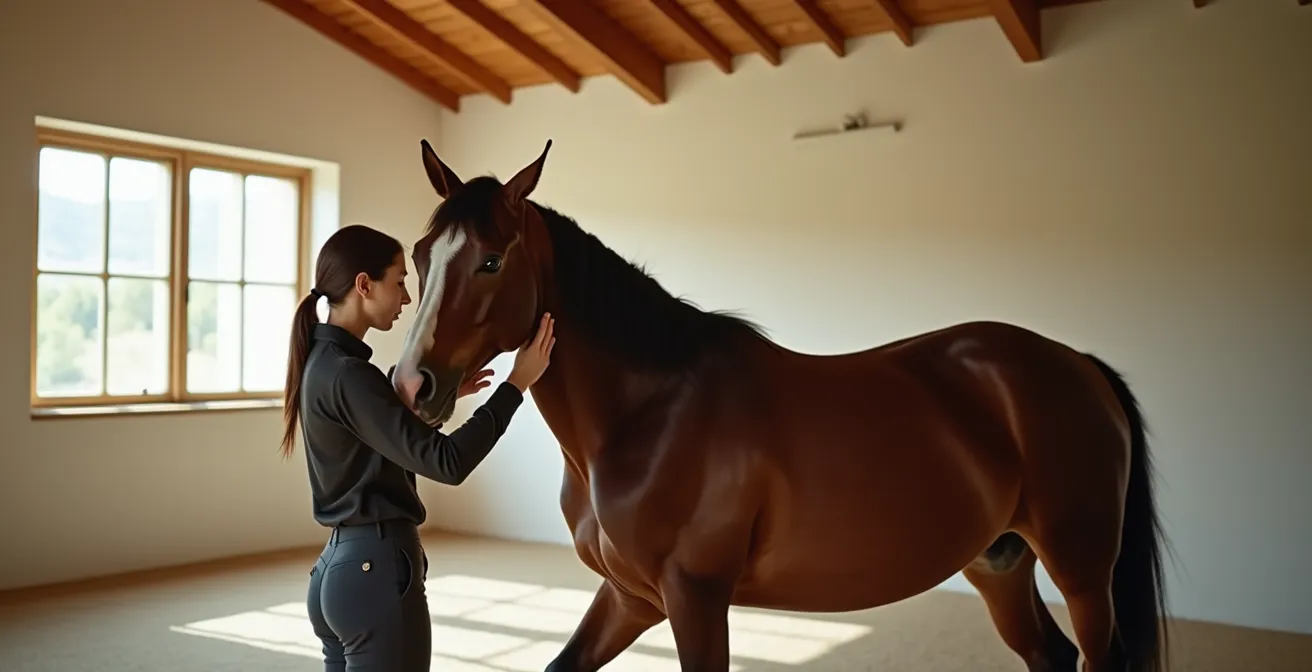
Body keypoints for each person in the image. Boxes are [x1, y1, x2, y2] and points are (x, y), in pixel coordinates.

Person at [278, 224, 556, 671]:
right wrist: (515, 386)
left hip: (338, 573)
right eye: (400, 282)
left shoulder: (324, 364)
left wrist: (426, 398)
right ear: (364, 285)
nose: (408, 299)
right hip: (375, 576)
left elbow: (374, 439)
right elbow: (448, 462)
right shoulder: (351, 374)